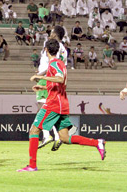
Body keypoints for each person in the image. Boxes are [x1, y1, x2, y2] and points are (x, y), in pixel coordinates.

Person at [18, 39, 106, 172]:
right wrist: (42, 87)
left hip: (54, 103)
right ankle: (97, 142)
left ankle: (32, 165)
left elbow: (60, 79)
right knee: (64, 137)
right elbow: (61, 85)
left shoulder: (53, 64)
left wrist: (40, 77)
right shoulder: (61, 64)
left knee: (34, 131)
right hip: (62, 102)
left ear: (46, 50)